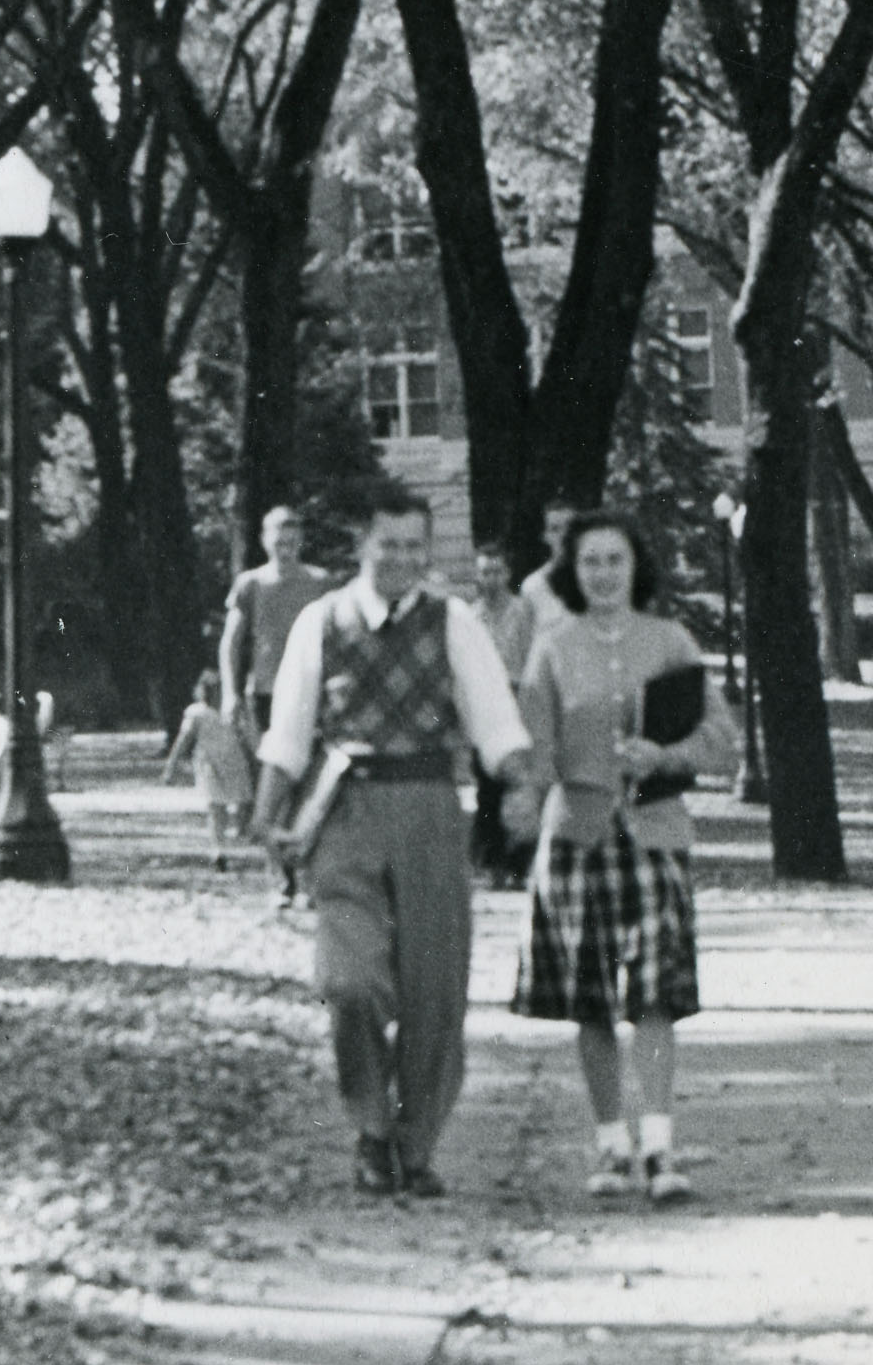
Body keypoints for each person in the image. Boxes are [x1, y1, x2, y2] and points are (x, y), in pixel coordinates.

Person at [252, 488, 537, 1202]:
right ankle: (370, 1128)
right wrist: (265, 815)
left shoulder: (455, 622)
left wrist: (523, 783)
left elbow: (494, 722)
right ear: (361, 546)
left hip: (432, 811)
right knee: (348, 981)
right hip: (346, 809)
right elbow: (288, 733)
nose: (405, 559)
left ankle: (414, 1146)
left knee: (433, 992)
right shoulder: (322, 622)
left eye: (417, 546)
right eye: (390, 546)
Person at [510, 506, 716, 1206]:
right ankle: (609, 1145)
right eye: (590, 561)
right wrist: (519, 805)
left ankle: (659, 1146)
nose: (602, 574)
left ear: (636, 568)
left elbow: (723, 738)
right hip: (576, 836)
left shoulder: (670, 640)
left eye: (615, 560)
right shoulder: (553, 647)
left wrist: (668, 753)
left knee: (654, 997)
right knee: (589, 1000)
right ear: (573, 570)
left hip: (654, 834)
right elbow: (533, 749)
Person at [210, 506, 328, 844]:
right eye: (279, 542)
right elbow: (231, 642)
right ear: (265, 541)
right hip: (266, 694)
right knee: (271, 781)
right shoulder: (250, 585)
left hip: (312, 694)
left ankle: (305, 868)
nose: (286, 549)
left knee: (310, 782)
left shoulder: (319, 583)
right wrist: (230, 693)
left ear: (301, 541)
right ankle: (280, 878)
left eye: (292, 541)